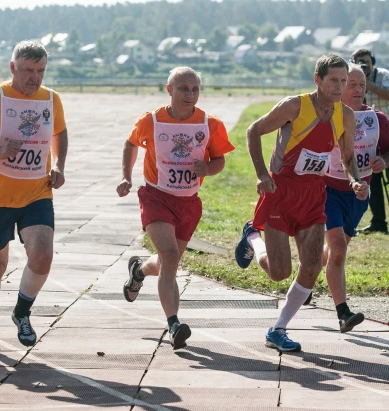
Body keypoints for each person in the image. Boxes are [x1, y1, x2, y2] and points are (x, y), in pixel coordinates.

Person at [234, 54, 367, 352]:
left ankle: (277, 329)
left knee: (310, 267)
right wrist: (260, 174)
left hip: (313, 193)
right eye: (333, 79)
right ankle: (253, 237)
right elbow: (253, 130)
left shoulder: (345, 115)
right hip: (281, 191)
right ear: (317, 79)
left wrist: (355, 180)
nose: (339, 86)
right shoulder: (295, 105)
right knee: (279, 272)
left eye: (343, 81)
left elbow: (347, 158)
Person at [0, 41, 68, 354]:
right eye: (29, 70)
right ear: (13, 68)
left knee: (43, 254)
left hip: (37, 192)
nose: (35, 77)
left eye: (41, 71)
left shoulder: (51, 99)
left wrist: (59, 165)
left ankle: (22, 311)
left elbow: (60, 132)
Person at [117, 67, 235, 350]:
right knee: (169, 255)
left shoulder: (210, 123)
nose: (190, 94)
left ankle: (139, 271)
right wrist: (126, 176)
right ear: (169, 90)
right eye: (183, 89)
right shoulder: (152, 120)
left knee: (167, 262)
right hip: (156, 196)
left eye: (195, 89)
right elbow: (131, 144)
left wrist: (206, 167)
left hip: (188, 202)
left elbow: (219, 160)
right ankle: (174, 324)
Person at [322, 63, 389, 332]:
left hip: (359, 193)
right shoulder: (326, 115)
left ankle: (306, 276)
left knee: (333, 252)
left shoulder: (378, 119)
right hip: (328, 189)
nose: (358, 89)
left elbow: (388, 151)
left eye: (362, 84)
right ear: (338, 86)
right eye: (352, 84)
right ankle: (343, 312)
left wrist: (383, 160)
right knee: (338, 248)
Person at [351, 49, 389, 234]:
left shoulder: (383, 76)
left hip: (386, 130)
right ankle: (378, 222)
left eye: (366, 62)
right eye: (359, 62)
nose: (364, 66)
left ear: (372, 61)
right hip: (369, 137)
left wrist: (368, 85)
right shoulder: (353, 81)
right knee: (372, 179)